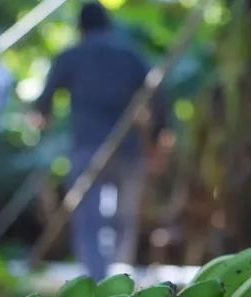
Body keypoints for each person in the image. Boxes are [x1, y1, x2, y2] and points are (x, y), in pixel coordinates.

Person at [32, 1, 170, 279]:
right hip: (128, 150)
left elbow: (42, 106)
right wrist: (156, 138)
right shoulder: (131, 56)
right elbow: (159, 95)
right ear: (109, 24)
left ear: (81, 27)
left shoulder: (71, 56)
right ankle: (120, 280)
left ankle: (96, 282)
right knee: (124, 219)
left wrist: (42, 122)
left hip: (88, 148)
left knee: (89, 221)